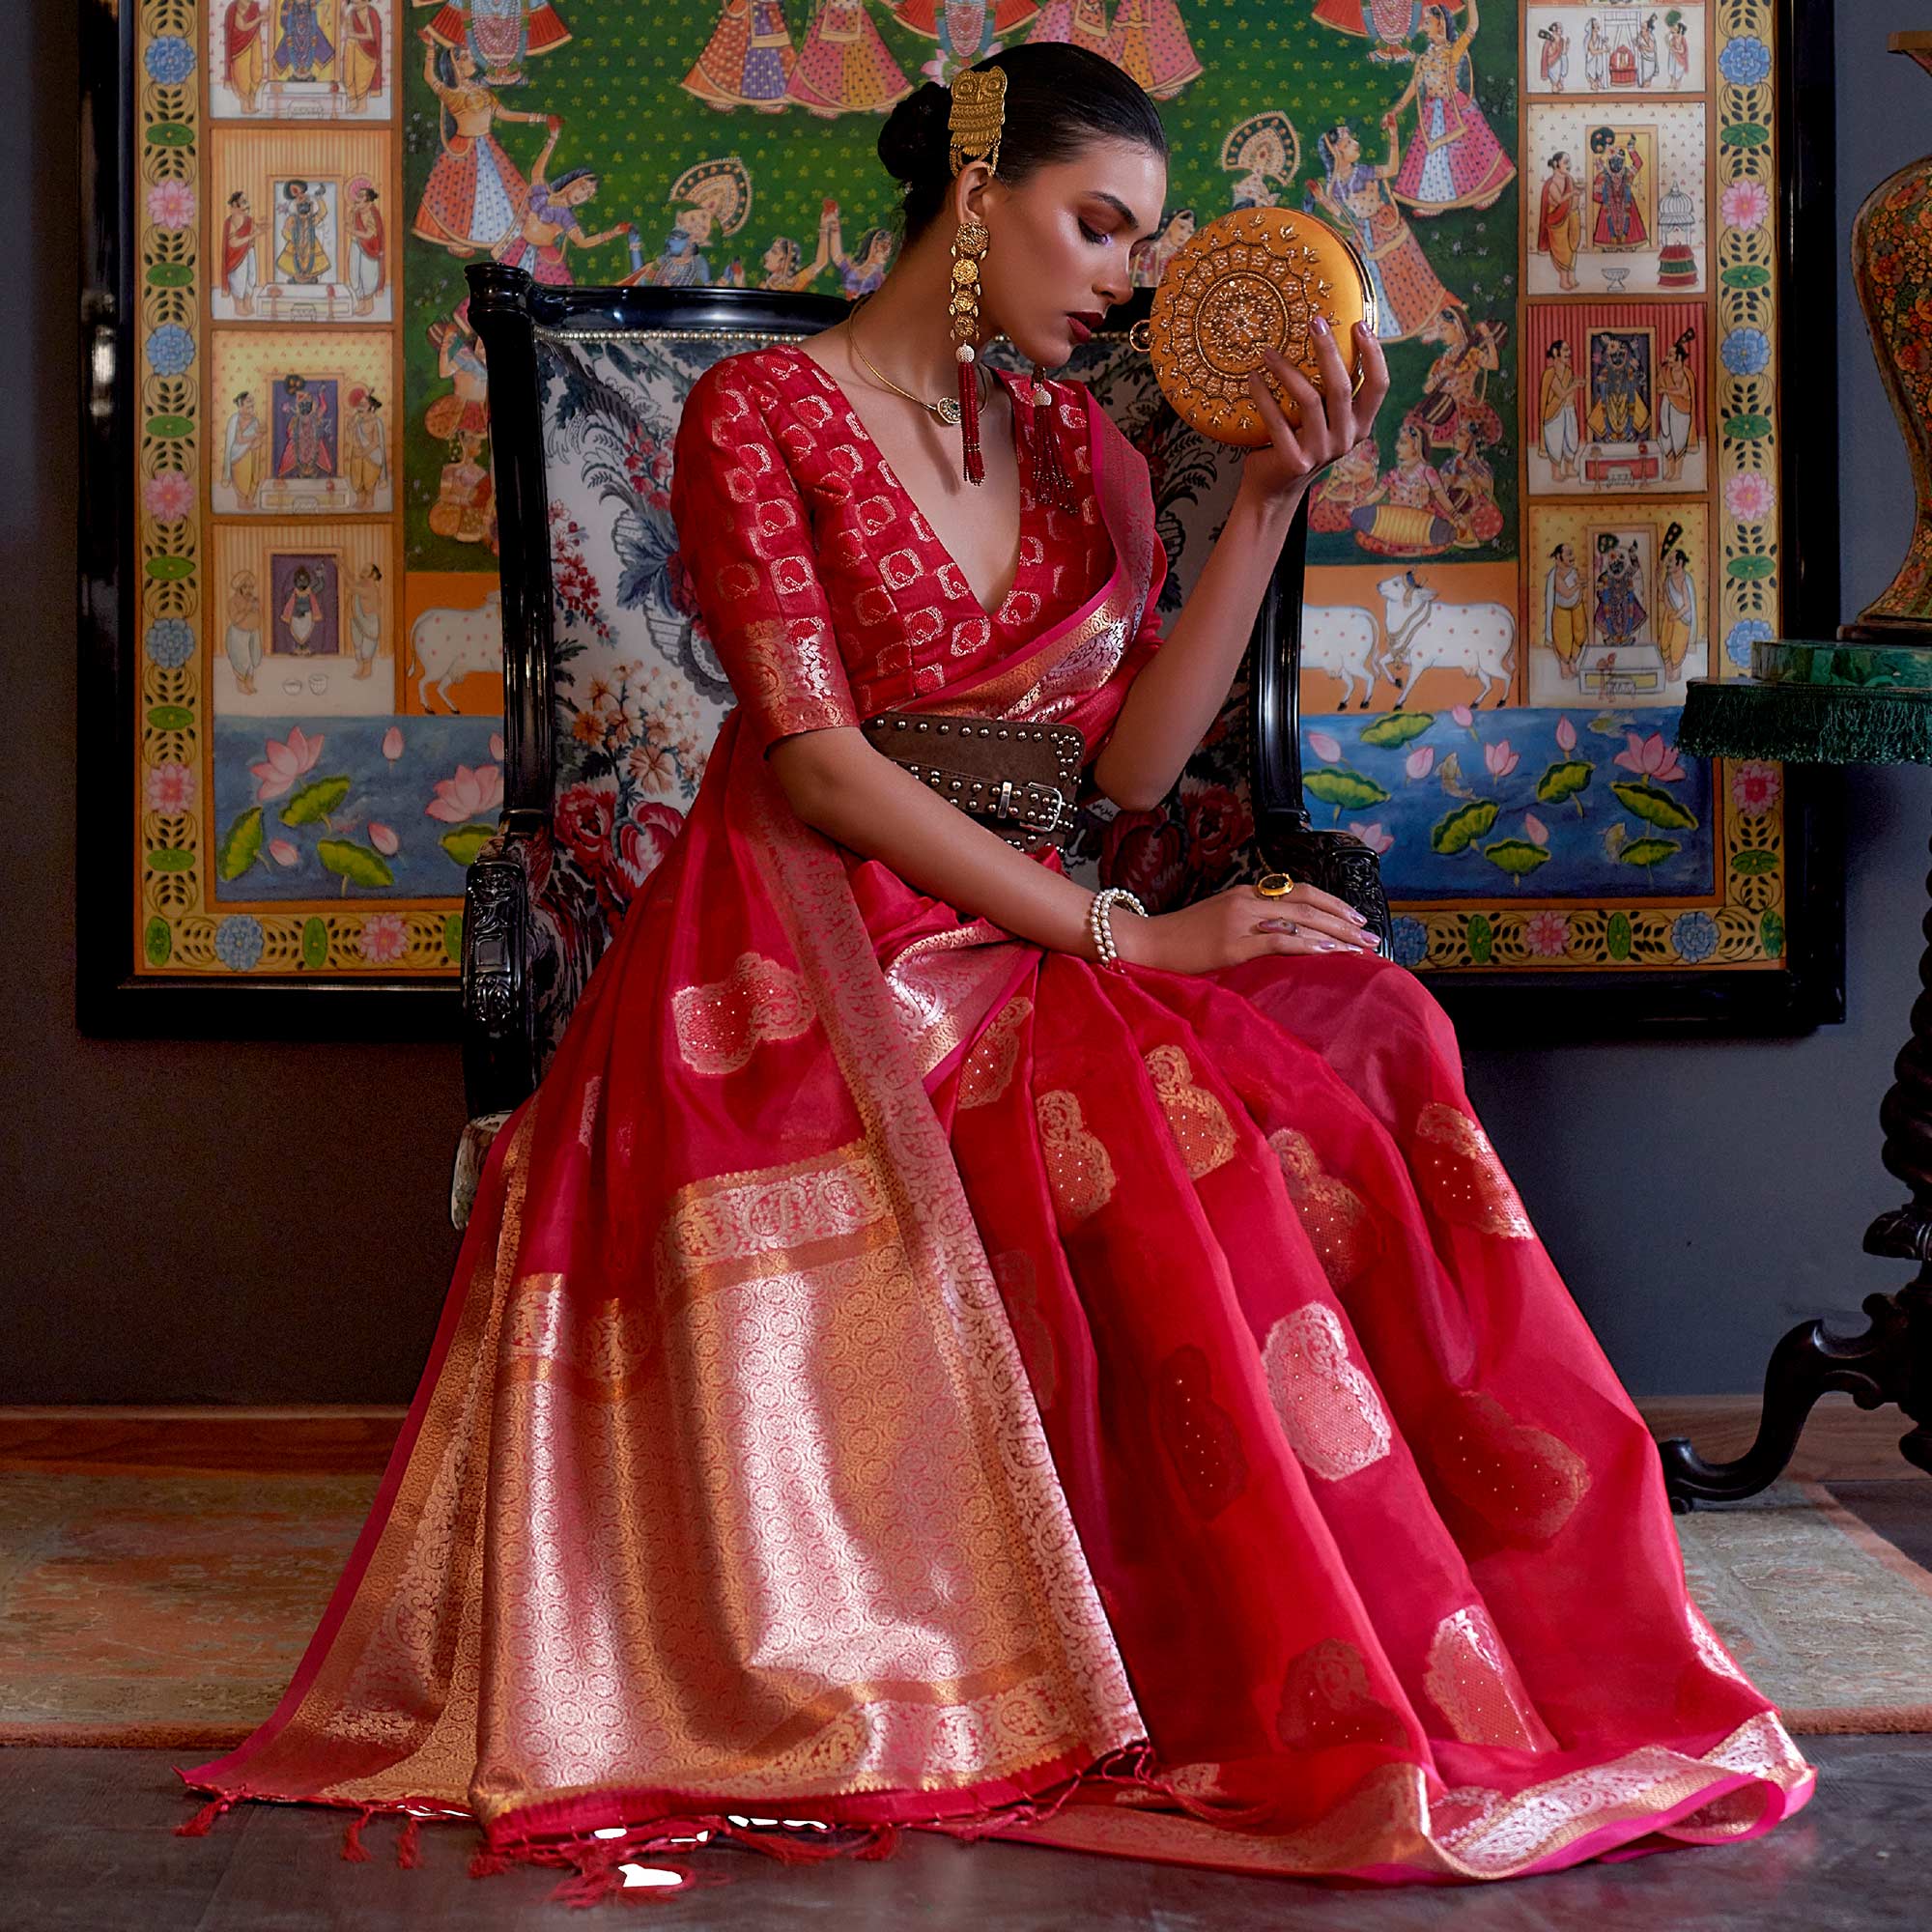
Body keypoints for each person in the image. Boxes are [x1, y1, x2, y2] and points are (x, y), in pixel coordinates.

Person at [178, 43, 1814, 1894]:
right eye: (1099, 223)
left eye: (1144, 237)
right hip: (815, 936)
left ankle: (1464, 1627)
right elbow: (818, 765)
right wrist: (1134, 932)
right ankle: (1202, 1662)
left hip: (1025, 913)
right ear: (977, 192)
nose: (1126, 273)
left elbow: (1122, 773)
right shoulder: (763, 415)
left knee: (1370, 1015)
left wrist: (1270, 505)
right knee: (1159, 1092)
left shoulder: (1077, 445)